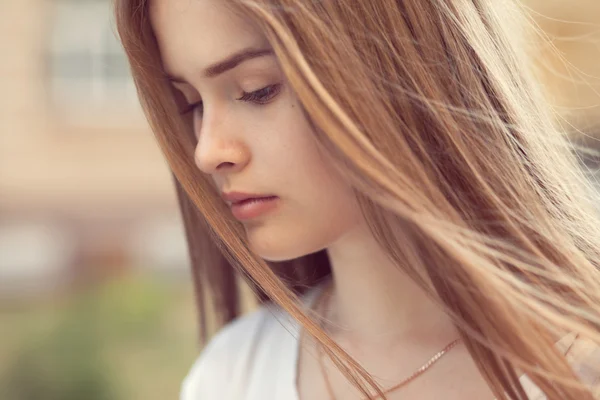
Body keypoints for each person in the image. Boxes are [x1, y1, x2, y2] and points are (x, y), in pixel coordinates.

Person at [113, 0, 600, 398]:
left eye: (256, 90)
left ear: (398, 66)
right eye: (192, 104)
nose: (207, 151)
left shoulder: (584, 367)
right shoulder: (233, 377)